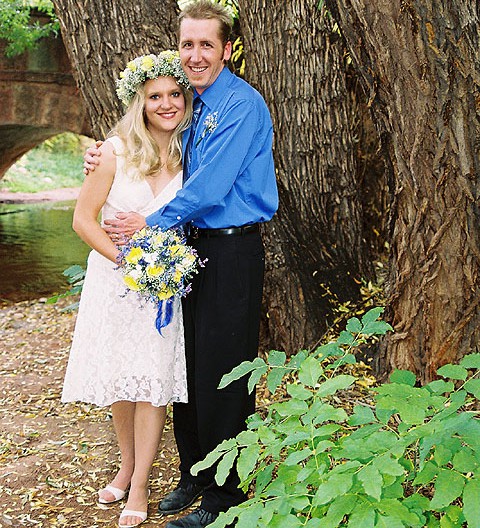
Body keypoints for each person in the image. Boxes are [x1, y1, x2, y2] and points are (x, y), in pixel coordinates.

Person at [84, 2, 278, 527]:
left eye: (205, 45)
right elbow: (153, 143)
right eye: (186, 45)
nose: (194, 55)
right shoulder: (193, 102)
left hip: (231, 249)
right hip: (189, 249)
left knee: (223, 373)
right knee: (185, 367)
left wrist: (150, 225)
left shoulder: (240, 104)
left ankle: (224, 499)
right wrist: (104, 155)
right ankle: (194, 473)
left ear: (228, 49)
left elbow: (211, 186)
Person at [62, 50, 193, 528]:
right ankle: (126, 465)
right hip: (117, 281)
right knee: (122, 378)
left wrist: (159, 269)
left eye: (174, 94)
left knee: (153, 383)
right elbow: (82, 220)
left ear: (186, 98)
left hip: (164, 287)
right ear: (138, 102)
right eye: (154, 96)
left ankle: (140, 485)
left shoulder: (192, 151)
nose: (166, 104)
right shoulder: (113, 151)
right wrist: (130, 263)